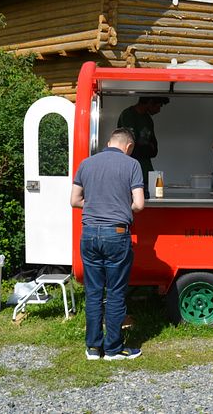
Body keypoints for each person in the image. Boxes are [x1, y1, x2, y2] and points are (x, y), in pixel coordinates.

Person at [70, 128, 145, 361]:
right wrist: (121, 207)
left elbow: (74, 200)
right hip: (116, 234)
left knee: (93, 292)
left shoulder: (87, 164)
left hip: (90, 233)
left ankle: (93, 348)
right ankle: (113, 349)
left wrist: (96, 206)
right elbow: (139, 204)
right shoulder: (131, 165)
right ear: (128, 147)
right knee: (114, 292)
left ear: (109, 142)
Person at [117, 96, 169, 193]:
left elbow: (154, 149)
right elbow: (130, 145)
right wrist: (145, 148)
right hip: (130, 169)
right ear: (150, 102)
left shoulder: (148, 119)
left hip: (146, 170)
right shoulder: (128, 115)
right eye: (159, 106)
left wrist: (143, 148)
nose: (159, 110)